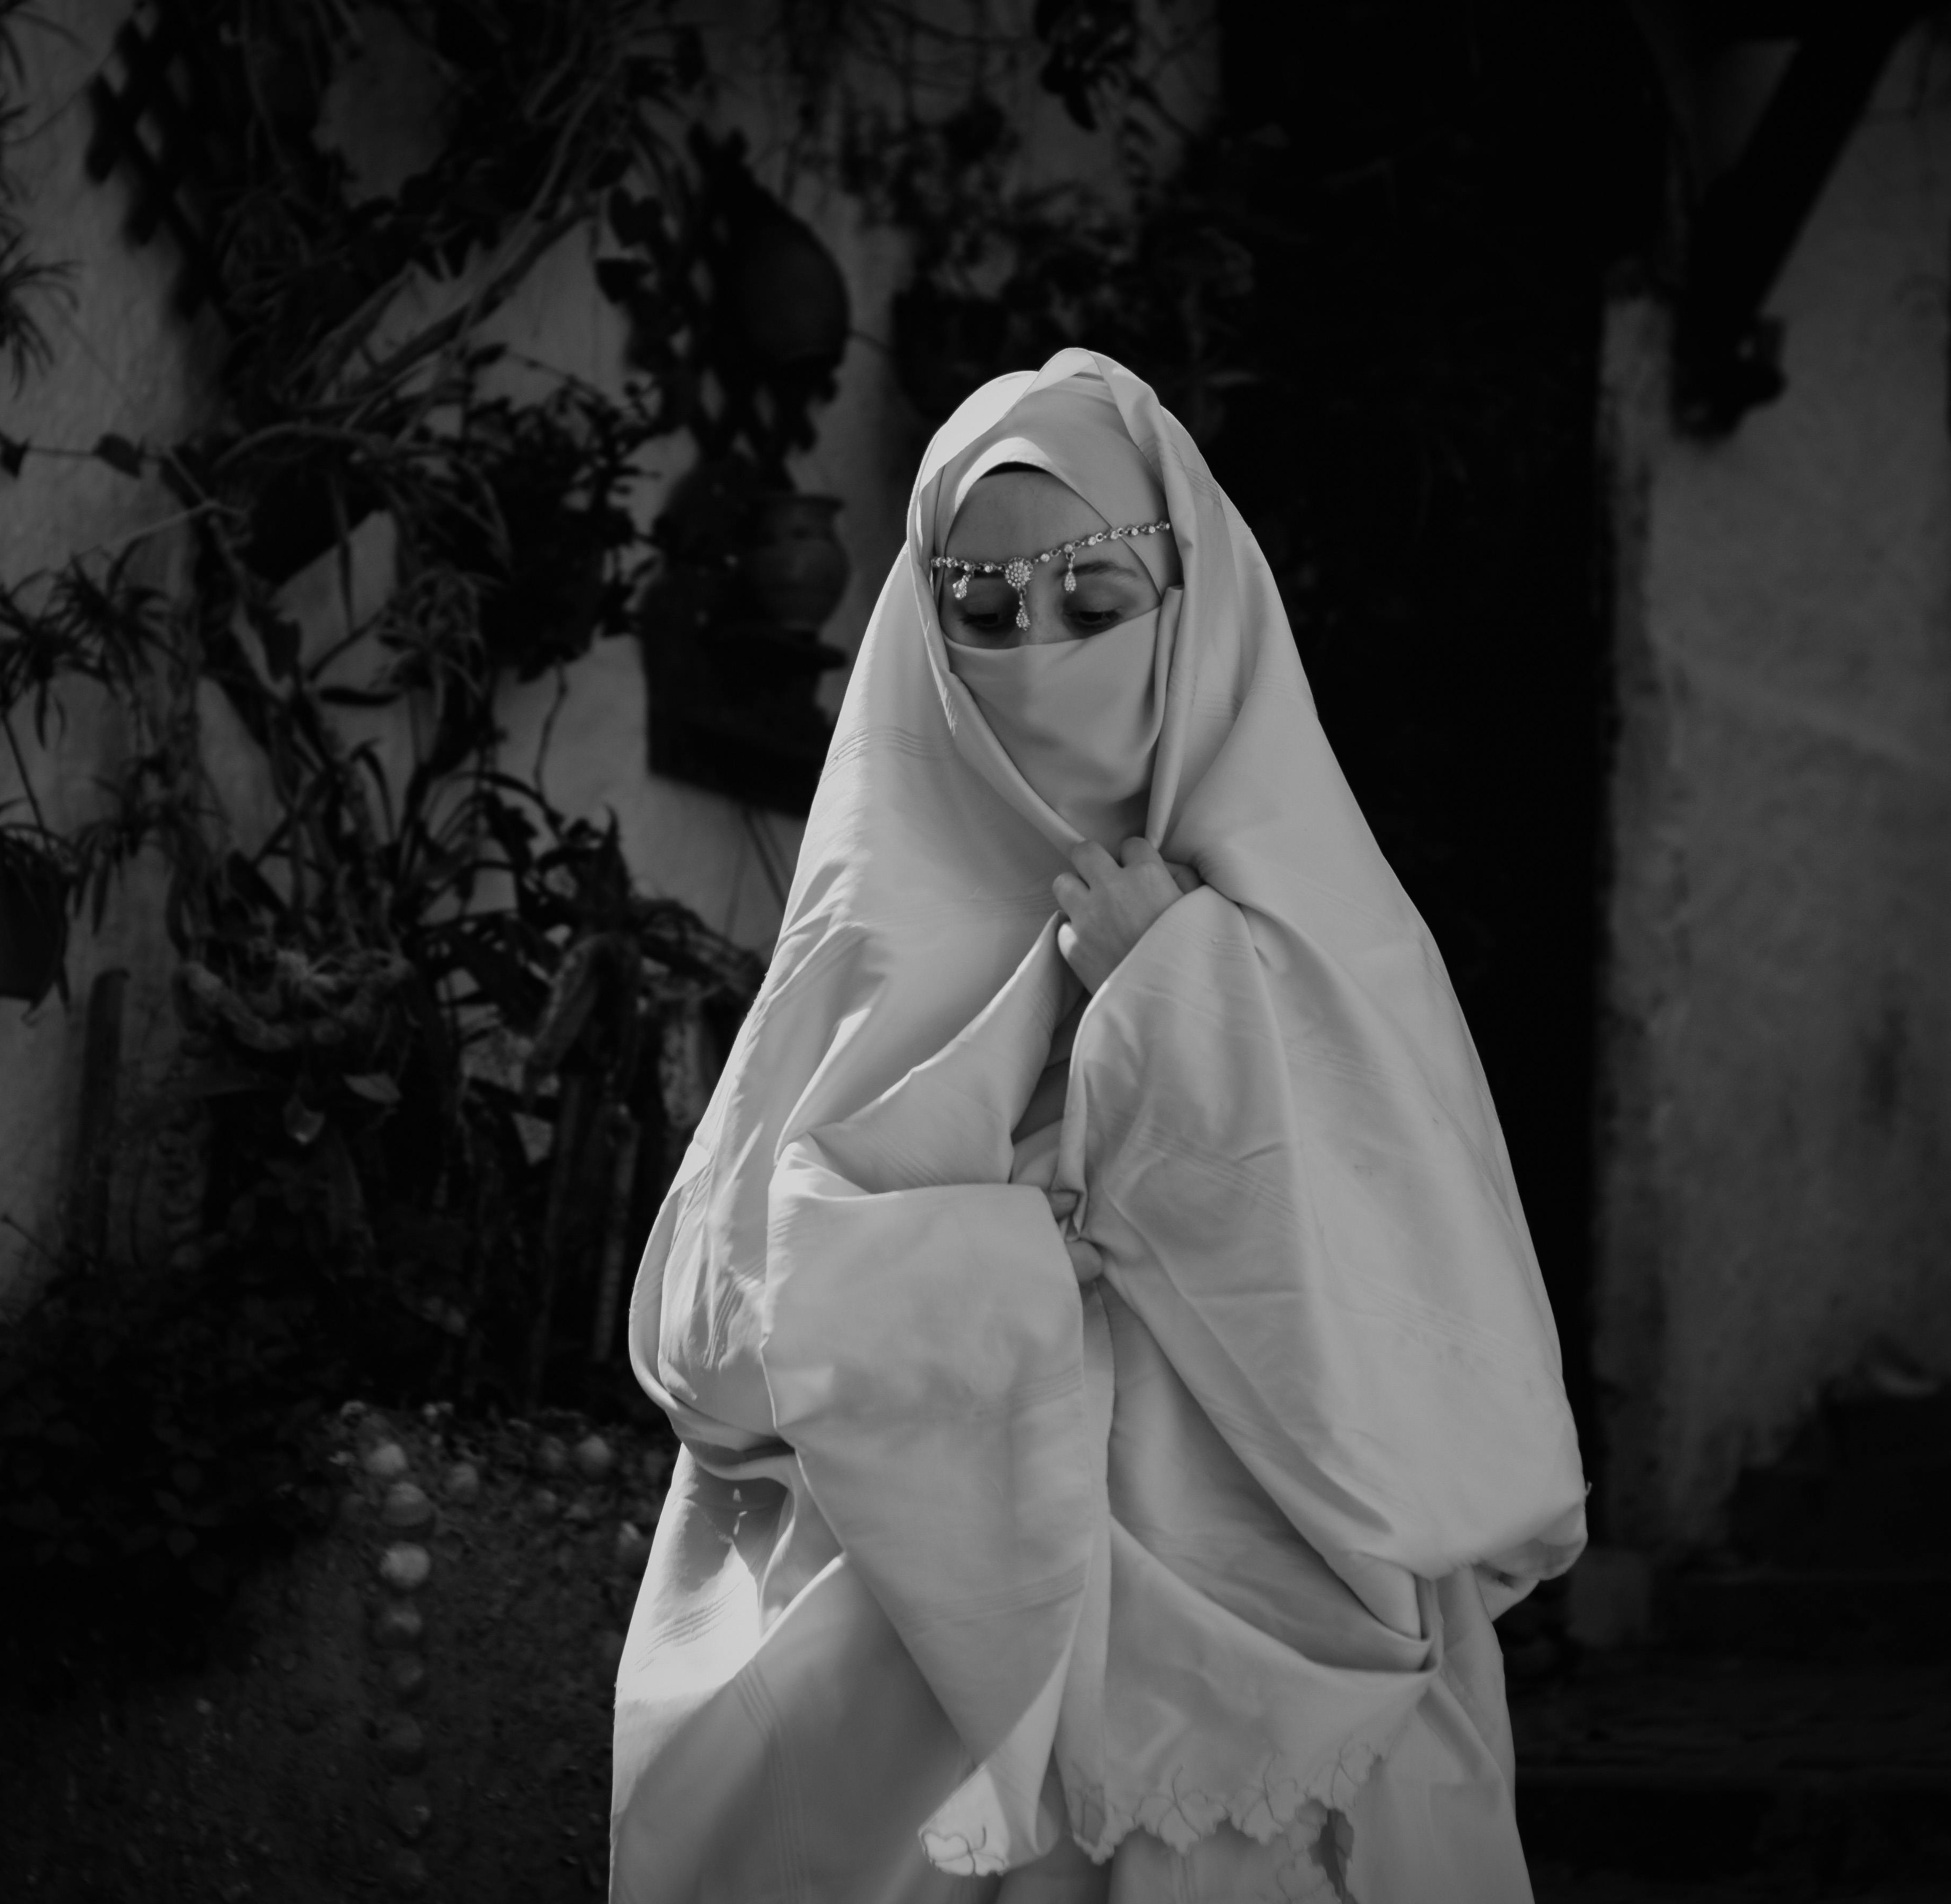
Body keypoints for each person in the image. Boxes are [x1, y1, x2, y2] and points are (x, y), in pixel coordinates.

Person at [609, 348, 1585, 1902]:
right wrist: (1011, 1259)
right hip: (916, 1654)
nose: (1038, 655)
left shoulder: (1334, 933)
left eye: (1092, 600)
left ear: (1189, 608)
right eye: (982, 616)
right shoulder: (868, 938)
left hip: (1272, 1615)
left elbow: (1430, 1322)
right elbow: (718, 1343)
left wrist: (1176, 1000)